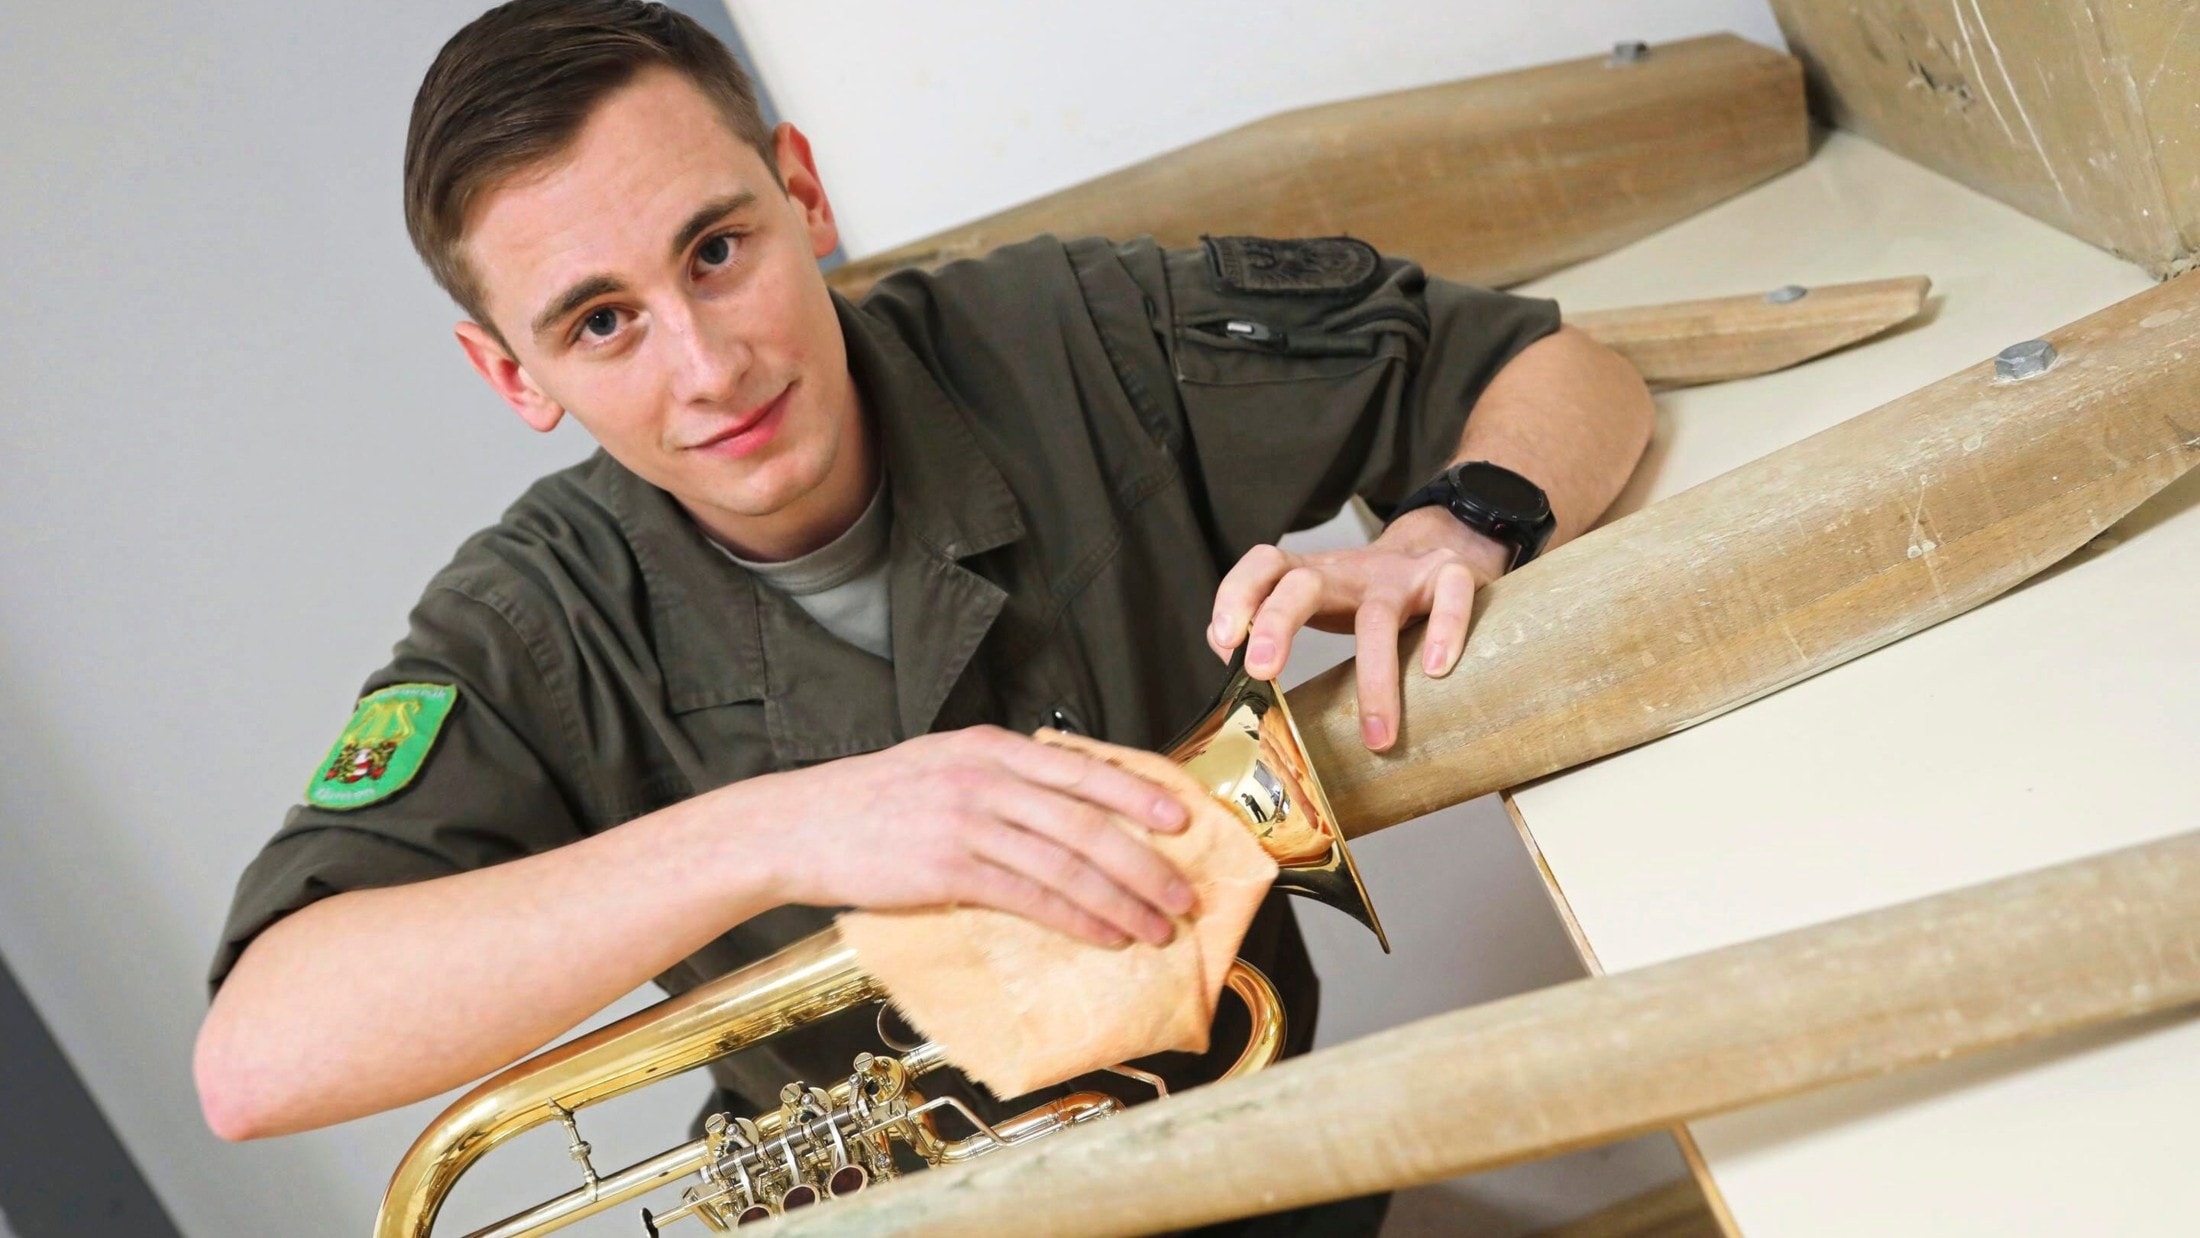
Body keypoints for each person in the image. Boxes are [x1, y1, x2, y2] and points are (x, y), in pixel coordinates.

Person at [193, 1, 1652, 1231]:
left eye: (716, 249)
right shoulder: (532, 616)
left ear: (804, 196)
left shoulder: (1068, 336)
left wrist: (1460, 518)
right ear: (514, 377)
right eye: (601, 322)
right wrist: (785, 825)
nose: (707, 365)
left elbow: (1554, 370)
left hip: (1261, 1180)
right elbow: (257, 1058)